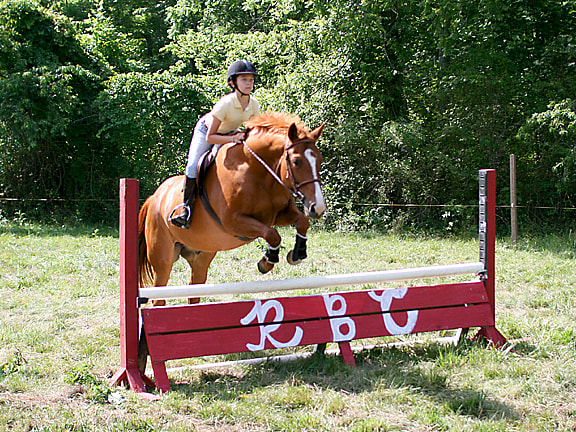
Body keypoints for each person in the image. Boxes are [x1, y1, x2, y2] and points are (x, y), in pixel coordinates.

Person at [170, 60, 261, 229]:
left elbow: (255, 129)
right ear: (233, 83)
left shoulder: (254, 104)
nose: (249, 83)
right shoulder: (225, 103)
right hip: (206, 132)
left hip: (229, 134)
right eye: (244, 80)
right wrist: (233, 139)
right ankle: (185, 209)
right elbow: (211, 137)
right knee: (191, 167)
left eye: (251, 80)